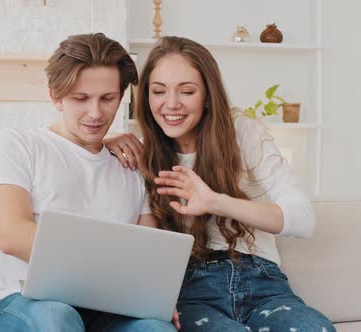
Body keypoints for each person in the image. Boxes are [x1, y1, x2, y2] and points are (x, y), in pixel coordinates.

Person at [106, 36, 335, 331]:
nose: (171, 104)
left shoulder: (244, 133)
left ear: (208, 95)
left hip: (263, 283)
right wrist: (101, 146)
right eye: (158, 91)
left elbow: (303, 220)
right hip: (191, 291)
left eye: (187, 91)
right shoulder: (142, 153)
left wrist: (215, 201)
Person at [0, 33, 179, 332]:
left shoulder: (131, 165)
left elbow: (147, 255)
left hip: (111, 310)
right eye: (80, 99)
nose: (95, 113)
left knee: (156, 328)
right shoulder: (17, 145)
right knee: (58, 317)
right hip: (26, 303)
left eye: (107, 99)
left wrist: (154, 296)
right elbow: (12, 236)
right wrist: (113, 270)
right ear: (55, 96)